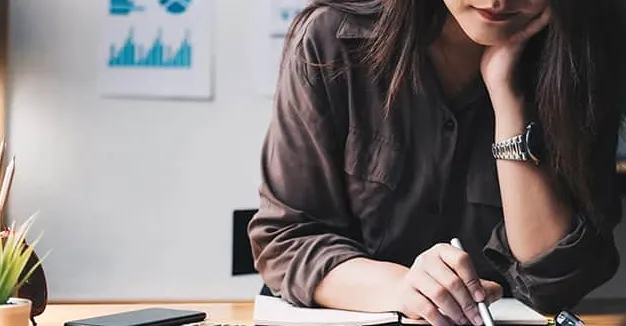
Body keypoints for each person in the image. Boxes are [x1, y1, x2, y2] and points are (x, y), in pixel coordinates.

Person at [248, 1, 626, 325]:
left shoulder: (587, 57)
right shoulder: (332, 40)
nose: (495, 1)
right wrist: (401, 287)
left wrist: (506, 95)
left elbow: (554, 283)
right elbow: (286, 240)